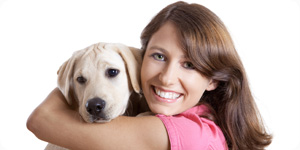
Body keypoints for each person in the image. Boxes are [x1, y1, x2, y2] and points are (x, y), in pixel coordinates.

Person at [27, 1, 272, 150]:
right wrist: (84, 68)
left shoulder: (192, 135)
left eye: (189, 64)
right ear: (141, 61)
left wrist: (79, 67)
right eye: (159, 56)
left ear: (213, 79)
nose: (166, 78)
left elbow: (42, 119)